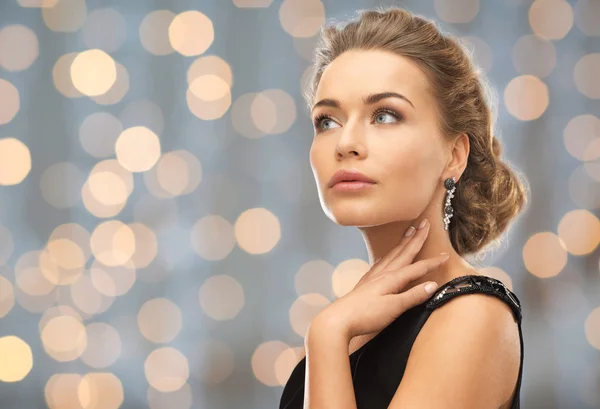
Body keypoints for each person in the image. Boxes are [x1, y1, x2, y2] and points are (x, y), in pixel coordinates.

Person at [279, 6, 529, 409]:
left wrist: (326, 334)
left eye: (385, 115)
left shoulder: (474, 316)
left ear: (454, 155)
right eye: (327, 121)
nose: (345, 143)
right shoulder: (359, 319)